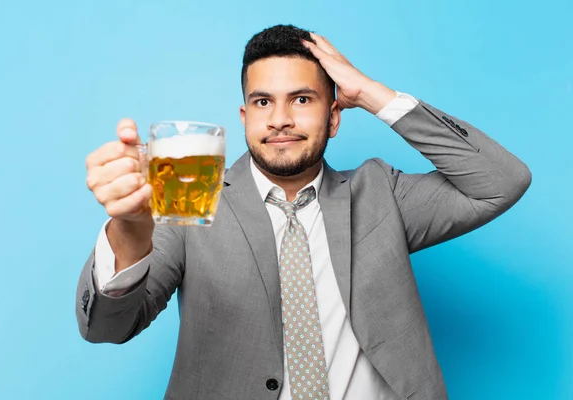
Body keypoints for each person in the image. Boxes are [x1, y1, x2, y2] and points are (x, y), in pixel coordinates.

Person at [76, 25, 531, 400]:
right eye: (262, 102)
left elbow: (502, 181)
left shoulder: (379, 194)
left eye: (301, 99)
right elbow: (106, 328)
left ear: (334, 117)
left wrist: (374, 95)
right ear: (244, 117)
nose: (279, 119)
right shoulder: (192, 203)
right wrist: (131, 228)